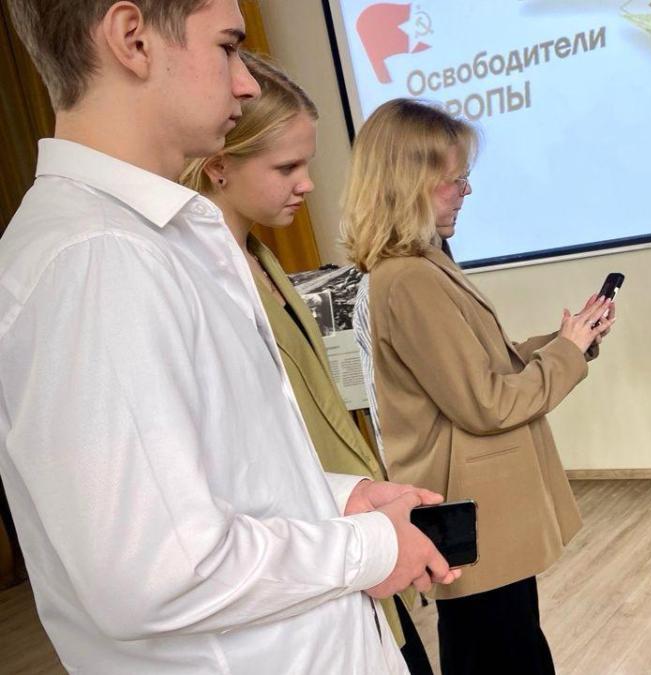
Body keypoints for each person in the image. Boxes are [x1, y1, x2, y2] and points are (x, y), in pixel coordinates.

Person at [0, 2, 460, 672]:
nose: (245, 83)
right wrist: (373, 546)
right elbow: (160, 571)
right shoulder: (98, 258)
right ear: (133, 40)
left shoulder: (155, 241)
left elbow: (219, 478)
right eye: (227, 47)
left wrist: (340, 498)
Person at [341, 99, 616, 675]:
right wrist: (566, 352)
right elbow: (487, 403)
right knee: (502, 653)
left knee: (505, 646)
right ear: (410, 183)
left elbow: (488, 365)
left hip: (482, 513)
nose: (466, 191)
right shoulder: (409, 279)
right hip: (473, 513)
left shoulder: (423, 266)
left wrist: (568, 340)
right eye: (455, 179)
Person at [178, 53, 432, 674]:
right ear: (218, 166)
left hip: (347, 522)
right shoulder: (197, 281)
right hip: (306, 553)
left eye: (307, 164)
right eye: (287, 167)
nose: (308, 184)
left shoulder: (261, 259)